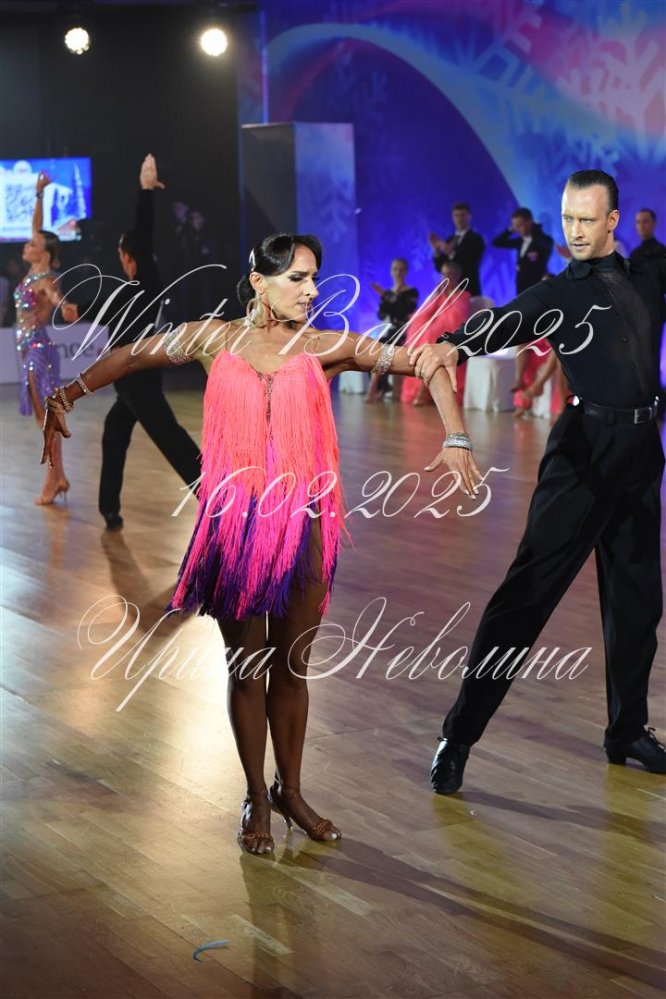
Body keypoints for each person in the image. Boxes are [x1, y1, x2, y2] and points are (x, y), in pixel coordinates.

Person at [42, 232, 482, 854]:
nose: (312, 289)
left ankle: (290, 791)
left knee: (292, 669)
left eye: (315, 277)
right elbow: (131, 356)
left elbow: (428, 362)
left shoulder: (326, 345)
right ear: (259, 282)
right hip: (235, 526)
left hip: (305, 525)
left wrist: (456, 434)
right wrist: (65, 395)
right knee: (247, 670)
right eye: (298, 278)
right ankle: (255, 794)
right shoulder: (213, 338)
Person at [411, 170, 666, 792]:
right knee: (525, 597)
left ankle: (627, 730)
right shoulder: (561, 292)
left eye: (587, 219)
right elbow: (511, 319)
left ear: (613, 221)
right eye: (568, 218)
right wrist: (454, 344)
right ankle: (458, 736)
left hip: (640, 453)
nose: (575, 231)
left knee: (638, 603)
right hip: (582, 455)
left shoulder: (649, 274)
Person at [73, 155, 201, 531]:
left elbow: (143, 236)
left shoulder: (145, 283)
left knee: (171, 439)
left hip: (139, 378)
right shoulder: (125, 293)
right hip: (128, 380)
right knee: (115, 433)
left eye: (122, 254)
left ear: (128, 257)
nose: (122, 259)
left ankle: (218, 497)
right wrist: (65, 305)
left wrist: (146, 192)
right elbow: (93, 310)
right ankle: (109, 508)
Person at [15, 171, 77, 504]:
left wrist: (64, 306)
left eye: (32, 244)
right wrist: (39, 194)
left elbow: (55, 297)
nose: (27, 244)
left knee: (47, 419)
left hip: (39, 351)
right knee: (46, 418)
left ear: (44, 253)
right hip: (29, 350)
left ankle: (52, 482)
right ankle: (60, 477)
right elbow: (37, 226)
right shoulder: (34, 270)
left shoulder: (46, 279)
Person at [401, 260, 471, 407]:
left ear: (457, 276)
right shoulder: (440, 295)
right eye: (444, 274)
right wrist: (437, 295)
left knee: (433, 338)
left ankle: (423, 390)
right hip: (434, 332)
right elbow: (424, 314)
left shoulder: (463, 295)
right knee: (422, 334)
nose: (447, 278)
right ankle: (423, 388)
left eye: (450, 274)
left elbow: (457, 319)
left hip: (450, 333)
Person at [365, 258, 418, 402]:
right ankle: (381, 387)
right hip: (391, 331)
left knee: (385, 348)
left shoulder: (411, 292)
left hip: (405, 331)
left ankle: (374, 387)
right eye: (395, 269)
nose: (398, 272)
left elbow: (405, 310)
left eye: (401, 269)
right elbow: (381, 314)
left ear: (406, 272)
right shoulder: (388, 292)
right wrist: (387, 298)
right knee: (374, 350)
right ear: (391, 271)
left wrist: (387, 297)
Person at [428, 202, 485, 296]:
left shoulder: (476, 239)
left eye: (462, 215)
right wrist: (436, 251)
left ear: (469, 216)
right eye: (456, 215)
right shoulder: (450, 239)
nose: (459, 219)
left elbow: (468, 264)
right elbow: (440, 268)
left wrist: (450, 253)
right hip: (449, 293)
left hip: (469, 290)